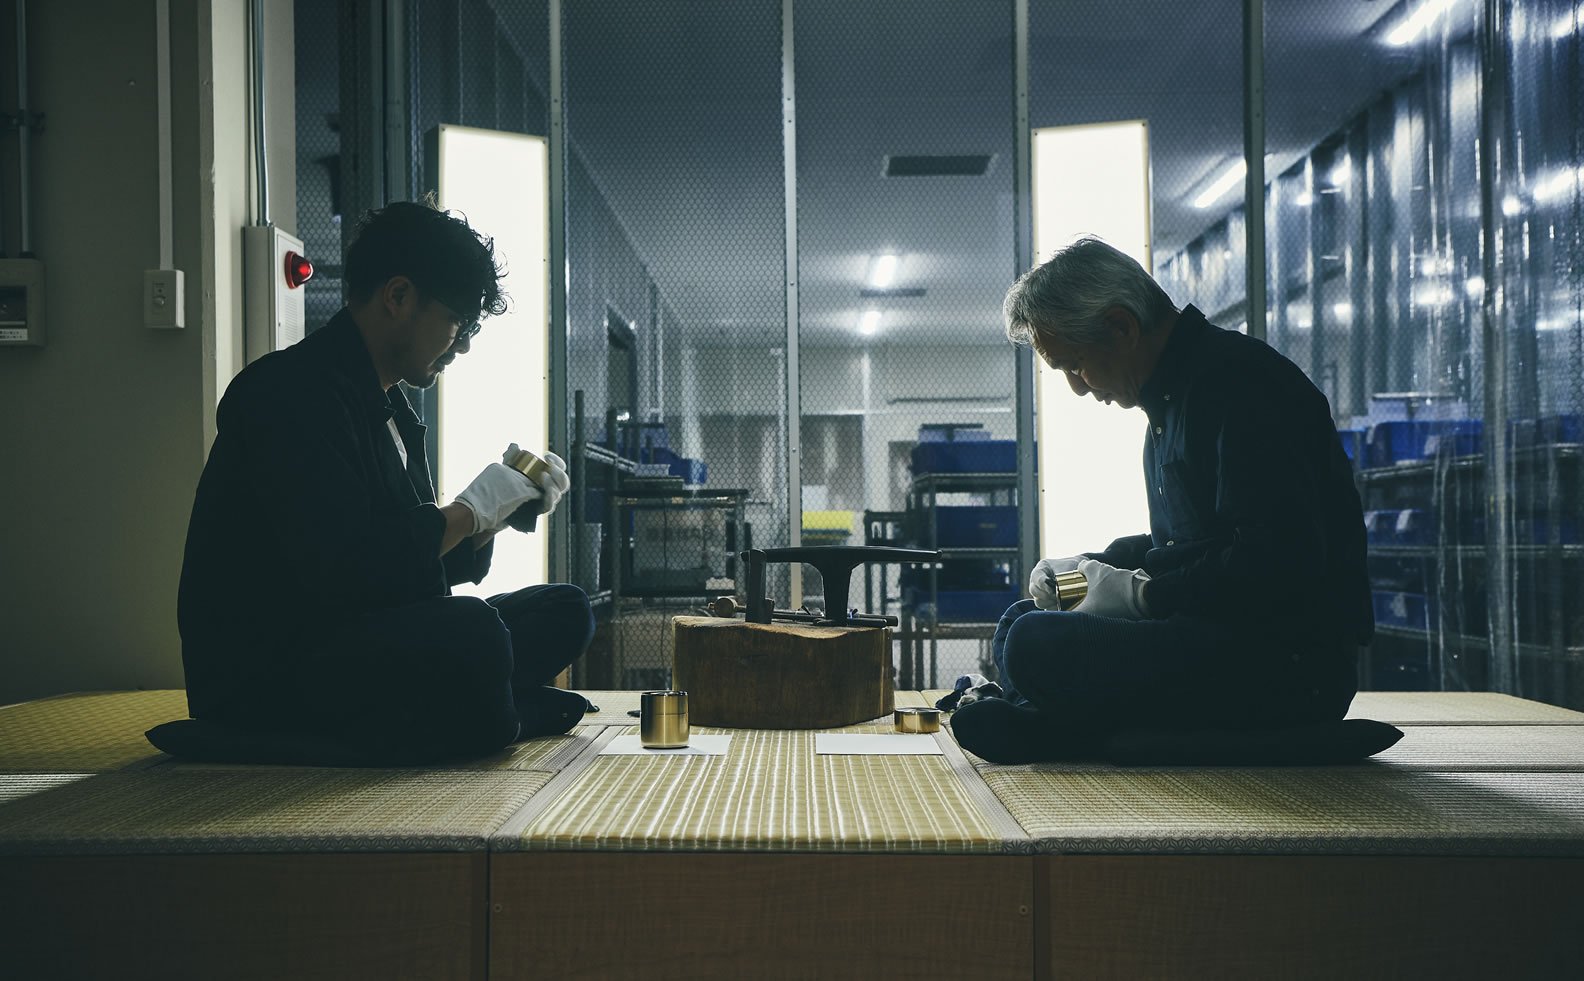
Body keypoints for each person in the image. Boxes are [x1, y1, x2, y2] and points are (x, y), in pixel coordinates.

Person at [177, 201, 593, 762]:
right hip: (273, 668)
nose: (463, 344)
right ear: (398, 297)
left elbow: (413, 569)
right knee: (474, 633)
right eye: (458, 323)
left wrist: (498, 513)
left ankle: (481, 709)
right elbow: (353, 572)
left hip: (357, 639)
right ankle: (494, 714)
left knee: (565, 610)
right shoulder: (286, 394)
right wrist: (470, 511)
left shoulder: (391, 404)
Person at [951, 236, 1373, 764]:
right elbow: (1186, 545)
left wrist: (1143, 597)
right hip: (1219, 633)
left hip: (1287, 664)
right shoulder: (1172, 402)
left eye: (1074, 364)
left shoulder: (1240, 386)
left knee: (1037, 643)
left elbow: (1279, 562)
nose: (1078, 389)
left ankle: (1057, 726)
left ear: (1121, 326)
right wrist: (1089, 568)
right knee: (1020, 618)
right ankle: (1062, 721)